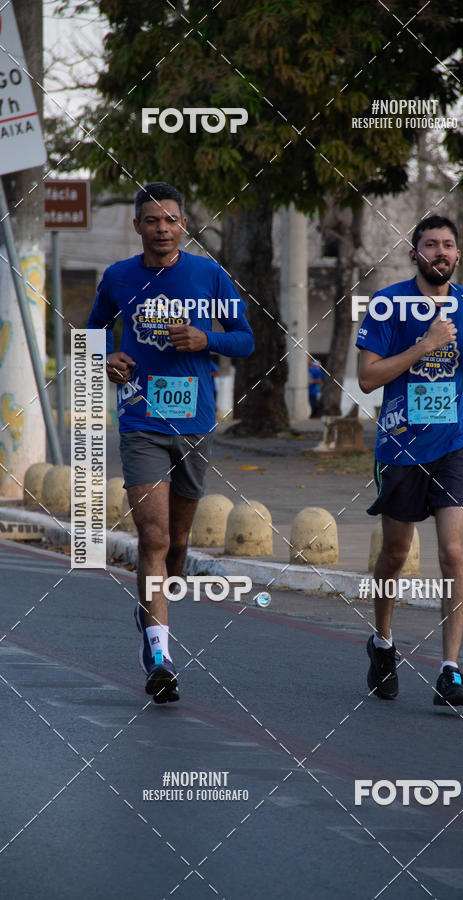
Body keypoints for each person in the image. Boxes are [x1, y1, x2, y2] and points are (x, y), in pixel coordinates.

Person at [87, 182, 254, 703]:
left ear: (184, 225)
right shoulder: (118, 277)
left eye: (171, 220)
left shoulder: (208, 274)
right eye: (152, 221)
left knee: (178, 545)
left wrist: (208, 340)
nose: (162, 229)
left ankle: (152, 606)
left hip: (194, 423)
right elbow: (92, 335)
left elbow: (246, 339)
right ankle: (159, 655)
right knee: (154, 540)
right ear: (137, 226)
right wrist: (106, 359)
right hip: (140, 420)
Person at [356, 214, 463, 707]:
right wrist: (425, 345)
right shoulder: (388, 303)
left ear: (457, 256)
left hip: (454, 441)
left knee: (453, 553)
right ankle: (383, 642)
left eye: (448, 245)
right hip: (400, 445)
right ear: (415, 254)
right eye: (430, 245)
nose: (439, 252)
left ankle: (450, 670)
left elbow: (459, 376)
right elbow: (368, 378)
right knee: (395, 553)